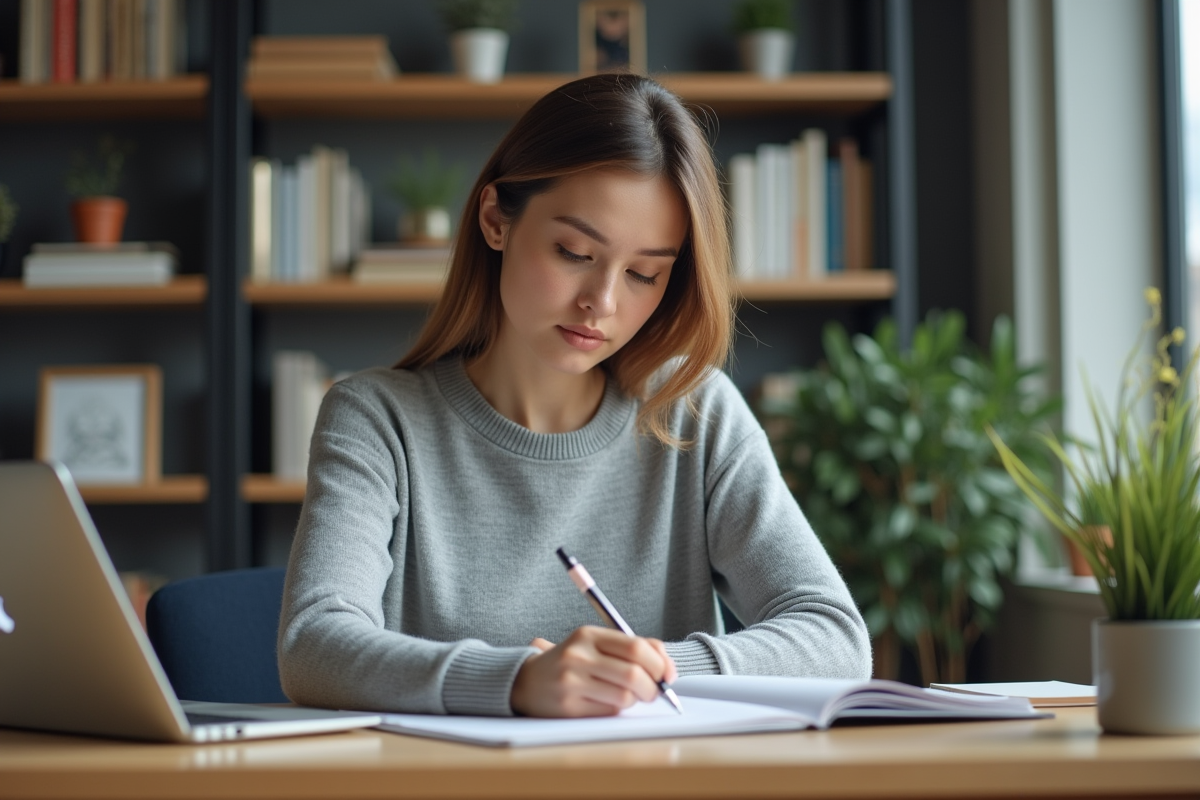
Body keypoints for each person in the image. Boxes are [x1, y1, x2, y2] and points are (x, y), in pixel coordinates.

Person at [278, 73, 871, 719]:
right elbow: (314, 646)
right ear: (495, 220)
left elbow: (835, 637)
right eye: (573, 251)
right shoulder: (377, 419)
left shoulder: (693, 409)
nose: (603, 303)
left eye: (645, 273)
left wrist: (649, 670)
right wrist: (517, 681)